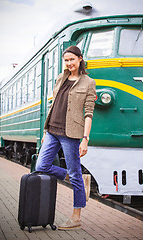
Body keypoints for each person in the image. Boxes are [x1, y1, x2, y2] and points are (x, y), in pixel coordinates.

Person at [36, 45, 96, 230]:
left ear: (80, 58)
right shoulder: (60, 78)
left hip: (71, 134)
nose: (69, 63)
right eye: (66, 60)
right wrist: (46, 132)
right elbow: (55, 104)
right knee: (41, 166)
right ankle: (72, 177)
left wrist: (85, 138)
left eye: (72, 59)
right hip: (52, 131)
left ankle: (76, 217)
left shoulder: (88, 82)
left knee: (76, 173)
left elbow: (88, 113)